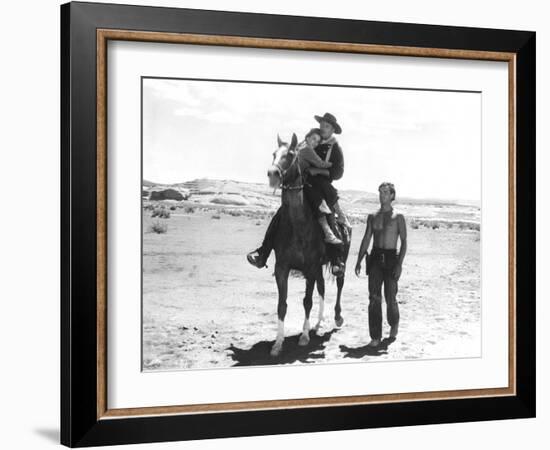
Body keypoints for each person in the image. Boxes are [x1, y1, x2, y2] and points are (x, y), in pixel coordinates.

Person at [246, 112, 349, 269]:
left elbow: (338, 172)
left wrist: (318, 171)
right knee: (280, 215)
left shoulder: (335, 148)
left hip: (321, 187)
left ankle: (335, 259)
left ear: (332, 130)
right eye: (321, 124)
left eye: (326, 126)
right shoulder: (309, 141)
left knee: (326, 214)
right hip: (301, 185)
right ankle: (263, 253)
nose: (322, 128)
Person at [354, 182, 407, 347]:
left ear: (392, 195)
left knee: (390, 298)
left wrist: (399, 264)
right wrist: (359, 260)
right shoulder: (372, 216)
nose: (382, 195)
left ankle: (394, 323)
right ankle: (375, 336)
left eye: (385, 192)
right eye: (380, 192)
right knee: (374, 298)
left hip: (392, 259)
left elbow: (404, 242)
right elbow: (366, 239)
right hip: (376, 258)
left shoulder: (398, 217)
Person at [298, 128, 342, 245]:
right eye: (313, 139)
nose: (315, 143)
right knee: (317, 197)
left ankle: (264, 251)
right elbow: (320, 163)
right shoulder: (307, 149)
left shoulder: (299, 146)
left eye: (317, 141)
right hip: (303, 181)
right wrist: (332, 165)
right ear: (307, 137)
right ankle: (329, 229)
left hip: (297, 181)